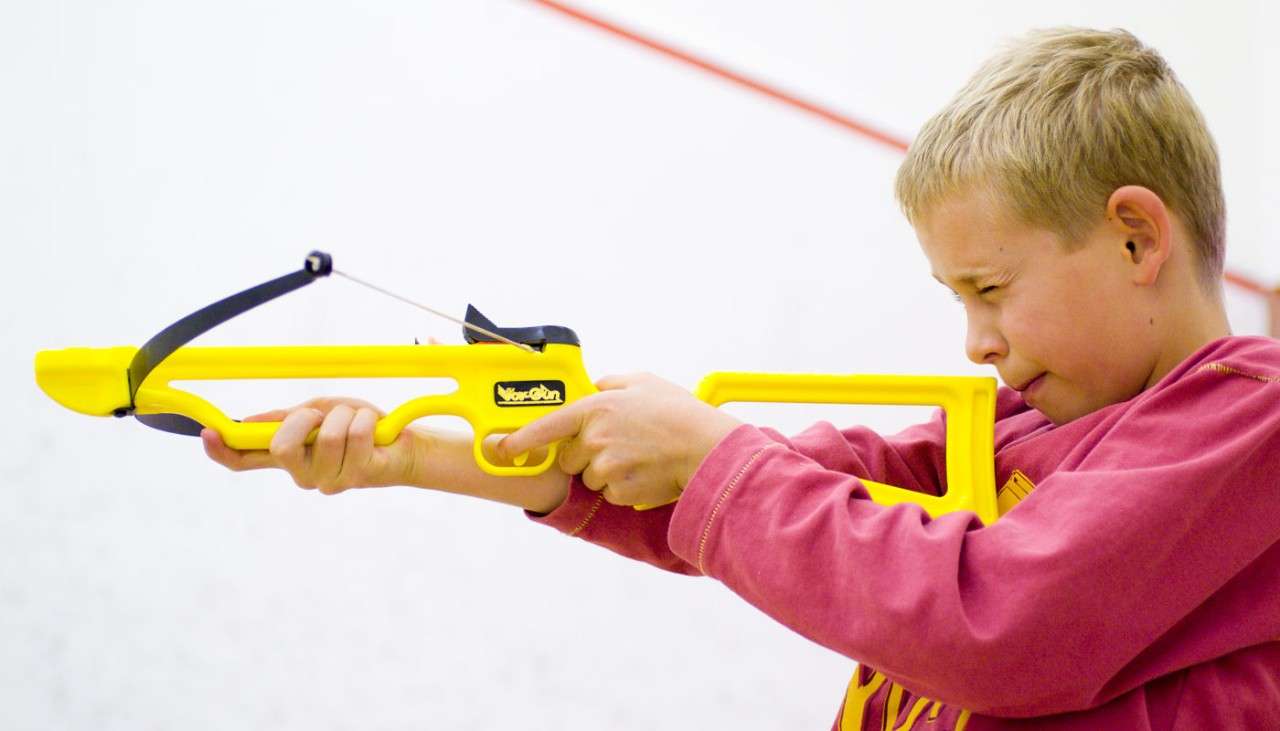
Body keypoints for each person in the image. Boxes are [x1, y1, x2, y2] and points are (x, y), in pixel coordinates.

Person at [202, 27, 1280, 730]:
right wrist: (430, 456)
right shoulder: (1004, 432)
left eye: (988, 287)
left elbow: (995, 618)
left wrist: (714, 459)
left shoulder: (1249, 413)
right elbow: (795, 494)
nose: (974, 341)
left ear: (1136, 237)